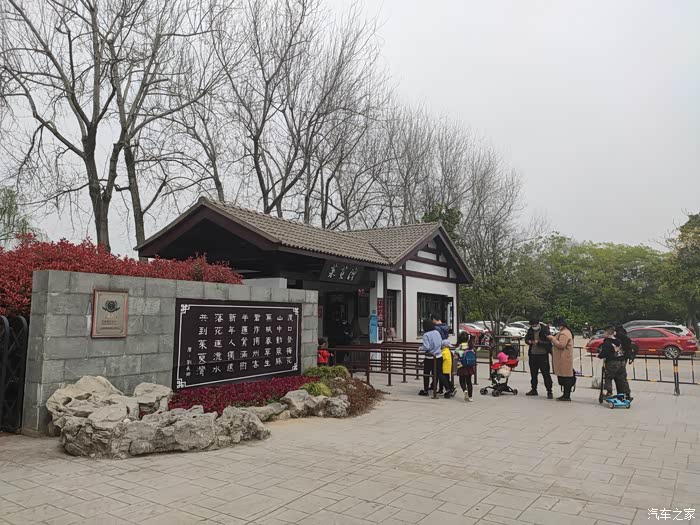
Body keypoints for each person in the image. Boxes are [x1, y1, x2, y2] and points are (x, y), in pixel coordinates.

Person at [418, 319, 451, 397]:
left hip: (430, 357)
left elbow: (426, 347)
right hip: (439, 356)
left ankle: (426, 390)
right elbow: (441, 343)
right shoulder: (437, 332)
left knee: (426, 373)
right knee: (439, 373)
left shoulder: (426, 335)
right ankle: (448, 389)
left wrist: (420, 349)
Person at [598, 325, 632, 400]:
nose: (603, 334)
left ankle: (609, 392)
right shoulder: (618, 340)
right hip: (622, 361)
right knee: (622, 378)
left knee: (608, 377)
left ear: (607, 333)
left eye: (604, 332)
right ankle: (627, 394)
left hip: (612, 362)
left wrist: (599, 356)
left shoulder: (607, 342)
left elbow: (604, 353)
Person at [547, 318, 575, 401]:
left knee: (566, 378)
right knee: (564, 377)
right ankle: (565, 395)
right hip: (563, 358)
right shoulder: (564, 332)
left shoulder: (564, 333)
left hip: (564, 358)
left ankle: (566, 396)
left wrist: (552, 339)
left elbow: (561, 345)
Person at [525, 318, 553, 398]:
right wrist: (529, 341)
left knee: (546, 374)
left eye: (535, 325)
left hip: (543, 355)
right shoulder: (530, 330)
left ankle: (549, 391)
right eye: (532, 326)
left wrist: (539, 342)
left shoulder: (544, 330)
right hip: (533, 354)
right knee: (533, 374)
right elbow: (526, 339)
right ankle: (534, 389)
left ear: (538, 324)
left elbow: (549, 343)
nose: (534, 327)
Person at [455, 331, 476, 401]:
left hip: (461, 365)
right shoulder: (470, 346)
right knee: (469, 381)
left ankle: (465, 390)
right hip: (469, 365)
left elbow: (456, 355)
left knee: (462, 380)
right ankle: (470, 397)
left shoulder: (459, 346)